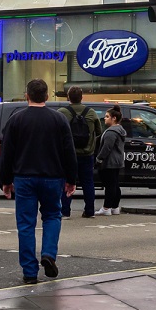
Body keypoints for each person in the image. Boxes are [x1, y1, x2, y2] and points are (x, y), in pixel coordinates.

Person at [0, 79, 78, 284]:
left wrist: (5, 180)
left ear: (27, 96)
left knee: (26, 224)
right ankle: (48, 254)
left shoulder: (16, 119)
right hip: (53, 177)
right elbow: (69, 152)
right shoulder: (59, 120)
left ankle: (29, 271)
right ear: (47, 96)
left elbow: (7, 153)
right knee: (52, 216)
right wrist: (71, 179)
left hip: (24, 177)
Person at [59, 86, 101, 217]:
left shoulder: (62, 112)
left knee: (67, 182)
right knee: (88, 182)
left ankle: (65, 211)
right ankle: (89, 211)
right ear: (81, 97)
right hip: (87, 154)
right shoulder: (91, 112)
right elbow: (99, 132)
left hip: (68, 154)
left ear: (68, 97)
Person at [94, 105, 126, 215]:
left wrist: (99, 158)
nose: (105, 118)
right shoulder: (119, 130)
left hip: (109, 162)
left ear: (114, 118)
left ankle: (106, 208)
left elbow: (106, 148)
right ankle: (114, 207)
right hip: (117, 161)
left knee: (110, 186)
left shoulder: (111, 132)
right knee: (115, 184)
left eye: (107, 116)